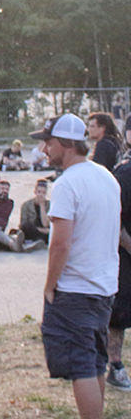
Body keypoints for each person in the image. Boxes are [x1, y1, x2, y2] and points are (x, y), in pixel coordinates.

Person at [30, 114, 121, 418]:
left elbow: (60, 244)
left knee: (81, 367)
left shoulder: (67, 183)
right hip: (104, 288)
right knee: (96, 361)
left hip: (75, 290)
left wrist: (49, 285)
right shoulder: (106, 176)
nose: (44, 149)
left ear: (65, 143)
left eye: (48, 142)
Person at [106, 159, 131, 391]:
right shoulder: (124, 174)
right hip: (124, 257)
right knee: (119, 315)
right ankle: (115, 366)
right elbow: (115, 221)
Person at [20, 180, 51, 245]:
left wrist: (42, 205)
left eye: (43, 193)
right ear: (35, 192)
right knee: (26, 226)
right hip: (33, 229)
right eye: (39, 192)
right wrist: (39, 229)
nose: (41, 195)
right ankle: (36, 240)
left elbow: (46, 224)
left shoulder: (49, 205)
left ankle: (39, 240)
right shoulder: (26, 205)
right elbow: (23, 223)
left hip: (45, 231)